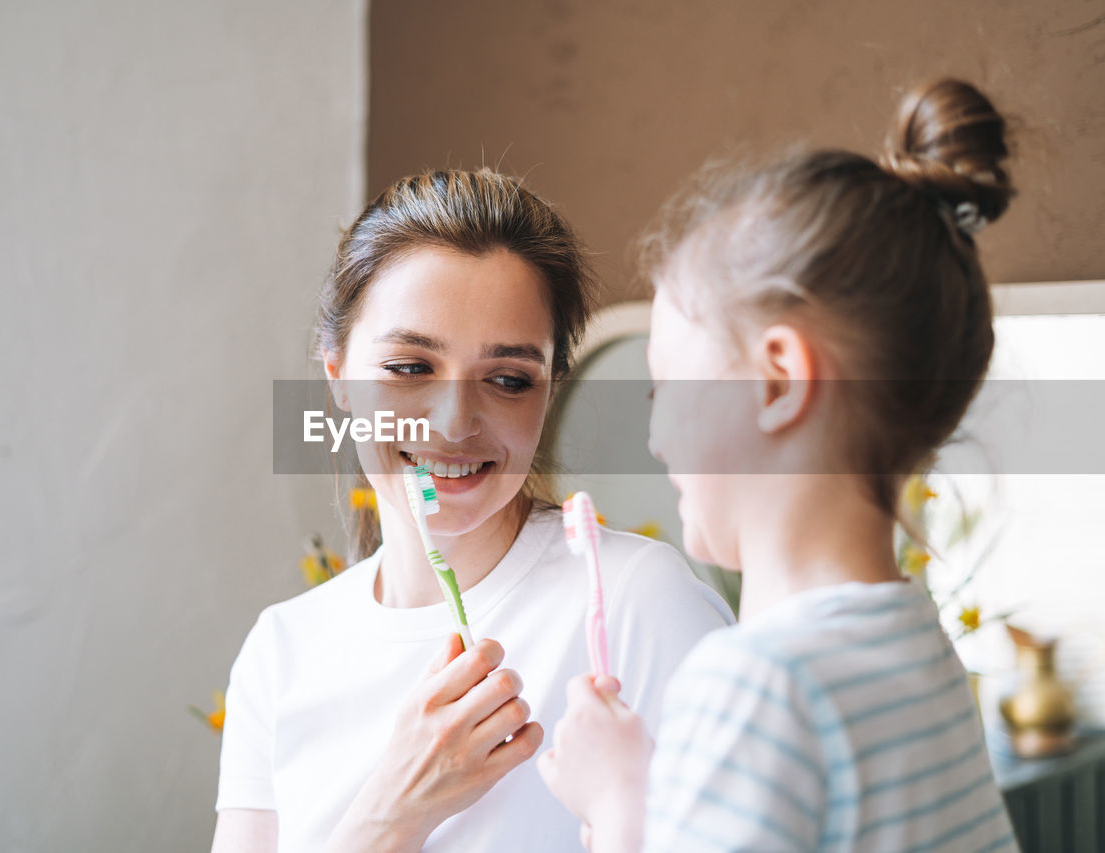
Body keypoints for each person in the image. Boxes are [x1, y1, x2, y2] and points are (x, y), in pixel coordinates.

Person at [539, 79, 1020, 852]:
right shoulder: (917, 647)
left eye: (667, 385)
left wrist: (620, 806)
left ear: (777, 381)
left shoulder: (751, 685)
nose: (655, 435)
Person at [210, 168, 734, 852]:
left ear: (547, 395)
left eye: (508, 379)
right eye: (409, 367)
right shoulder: (281, 652)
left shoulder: (635, 601)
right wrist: (393, 812)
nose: (456, 423)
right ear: (337, 375)